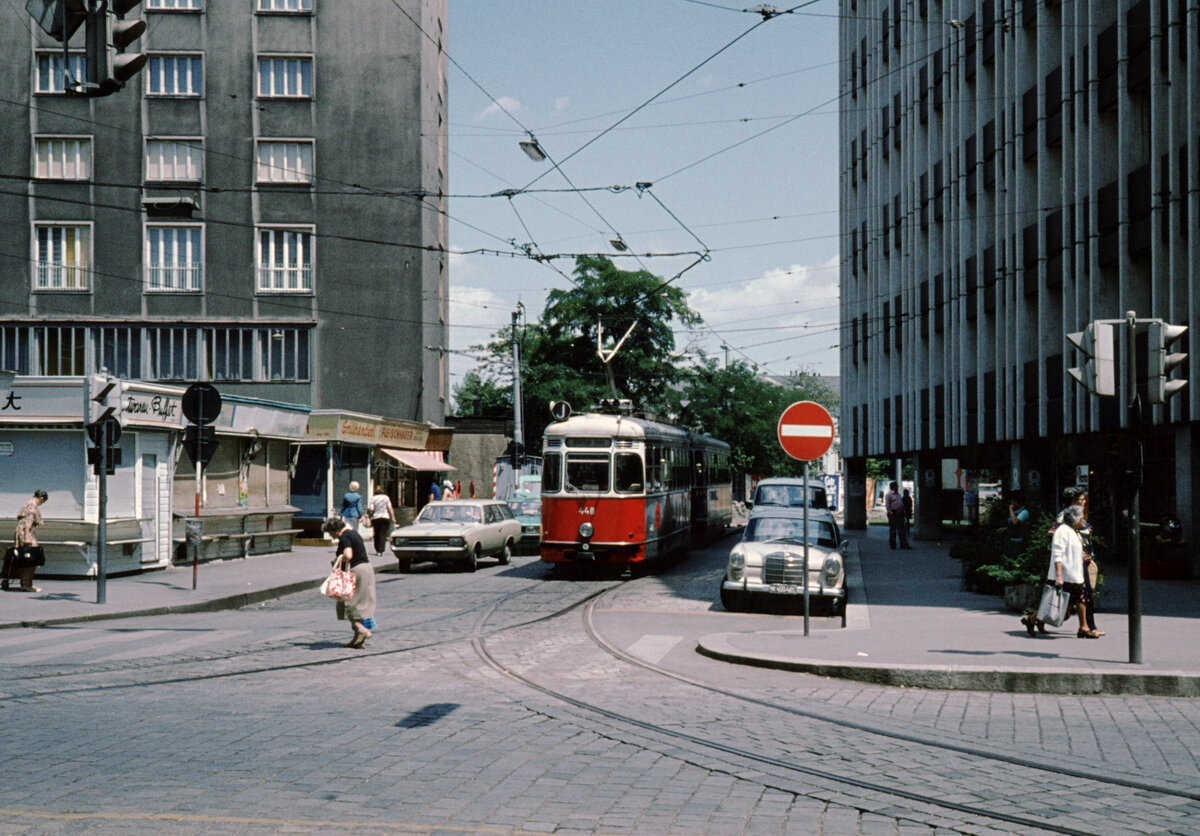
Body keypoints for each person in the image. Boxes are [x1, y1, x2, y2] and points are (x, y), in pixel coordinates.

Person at [1028, 504, 1100, 638]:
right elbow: (1057, 554)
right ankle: (1031, 619)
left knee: (1081, 599)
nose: (1083, 521)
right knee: (1055, 606)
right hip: (1063, 575)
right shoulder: (1062, 531)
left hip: (1075, 575)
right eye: (1081, 518)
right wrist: (1059, 576)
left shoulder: (1074, 532)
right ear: (1074, 519)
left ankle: (1083, 627)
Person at [322, 516, 377, 648]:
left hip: (356, 571)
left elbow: (348, 555)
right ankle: (358, 640)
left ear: (335, 530)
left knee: (348, 604)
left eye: (330, 533)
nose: (332, 537)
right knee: (360, 605)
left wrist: (337, 561)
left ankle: (362, 630)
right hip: (366, 569)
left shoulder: (345, 537)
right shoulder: (354, 533)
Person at [2, 490, 48, 592]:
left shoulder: (27, 504)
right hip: (27, 534)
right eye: (43, 502)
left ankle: (26, 583)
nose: (42, 504)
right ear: (41, 498)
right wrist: (28, 538)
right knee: (32, 559)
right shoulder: (32, 505)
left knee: (25, 559)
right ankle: (27, 584)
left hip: (21, 533)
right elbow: (28, 523)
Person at [367, 486, 397, 557]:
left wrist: (369, 514)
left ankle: (377, 549)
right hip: (385, 517)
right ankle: (381, 550)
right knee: (383, 534)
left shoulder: (373, 498)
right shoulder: (386, 497)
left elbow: (371, 508)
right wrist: (393, 517)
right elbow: (390, 508)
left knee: (376, 534)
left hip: (376, 518)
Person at [999, 491, 1030, 559]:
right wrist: (1005, 529)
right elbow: (1012, 525)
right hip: (1011, 540)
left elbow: (1015, 522)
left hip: (1018, 542)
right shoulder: (1016, 512)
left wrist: (1010, 509)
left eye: (1013, 501)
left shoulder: (1024, 512)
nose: (1012, 503)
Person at [884, 482, 911, 549]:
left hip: (900, 513)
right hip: (893, 513)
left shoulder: (898, 494)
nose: (898, 488)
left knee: (901, 529)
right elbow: (887, 505)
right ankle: (893, 544)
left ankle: (904, 544)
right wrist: (890, 512)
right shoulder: (889, 495)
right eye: (896, 486)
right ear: (893, 487)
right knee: (893, 529)